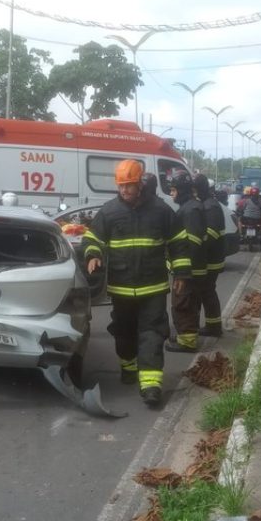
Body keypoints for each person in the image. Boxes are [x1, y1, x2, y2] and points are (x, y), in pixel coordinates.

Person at [83, 160, 187, 407]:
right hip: (121, 288)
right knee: (124, 333)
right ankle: (128, 366)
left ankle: (151, 385)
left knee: (152, 334)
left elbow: (179, 242)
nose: (125, 191)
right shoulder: (109, 212)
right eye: (121, 186)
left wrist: (181, 274)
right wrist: (93, 254)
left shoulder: (161, 211)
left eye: (129, 185)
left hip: (153, 287)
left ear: (140, 183)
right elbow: (92, 237)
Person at [164, 170, 207, 353]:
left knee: (183, 304)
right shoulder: (190, 207)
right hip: (191, 268)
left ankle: (187, 342)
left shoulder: (190, 210)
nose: (171, 194)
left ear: (181, 190)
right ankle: (185, 336)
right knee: (188, 304)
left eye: (173, 190)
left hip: (189, 269)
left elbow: (191, 242)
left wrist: (182, 268)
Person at [193, 173, 226, 337]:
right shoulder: (207, 203)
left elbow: (211, 234)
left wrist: (198, 250)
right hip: (210, 258)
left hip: (211, 259)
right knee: (206, 292)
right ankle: (213, 326)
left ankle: (214, 327)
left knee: (207, 291)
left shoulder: (210, 206)